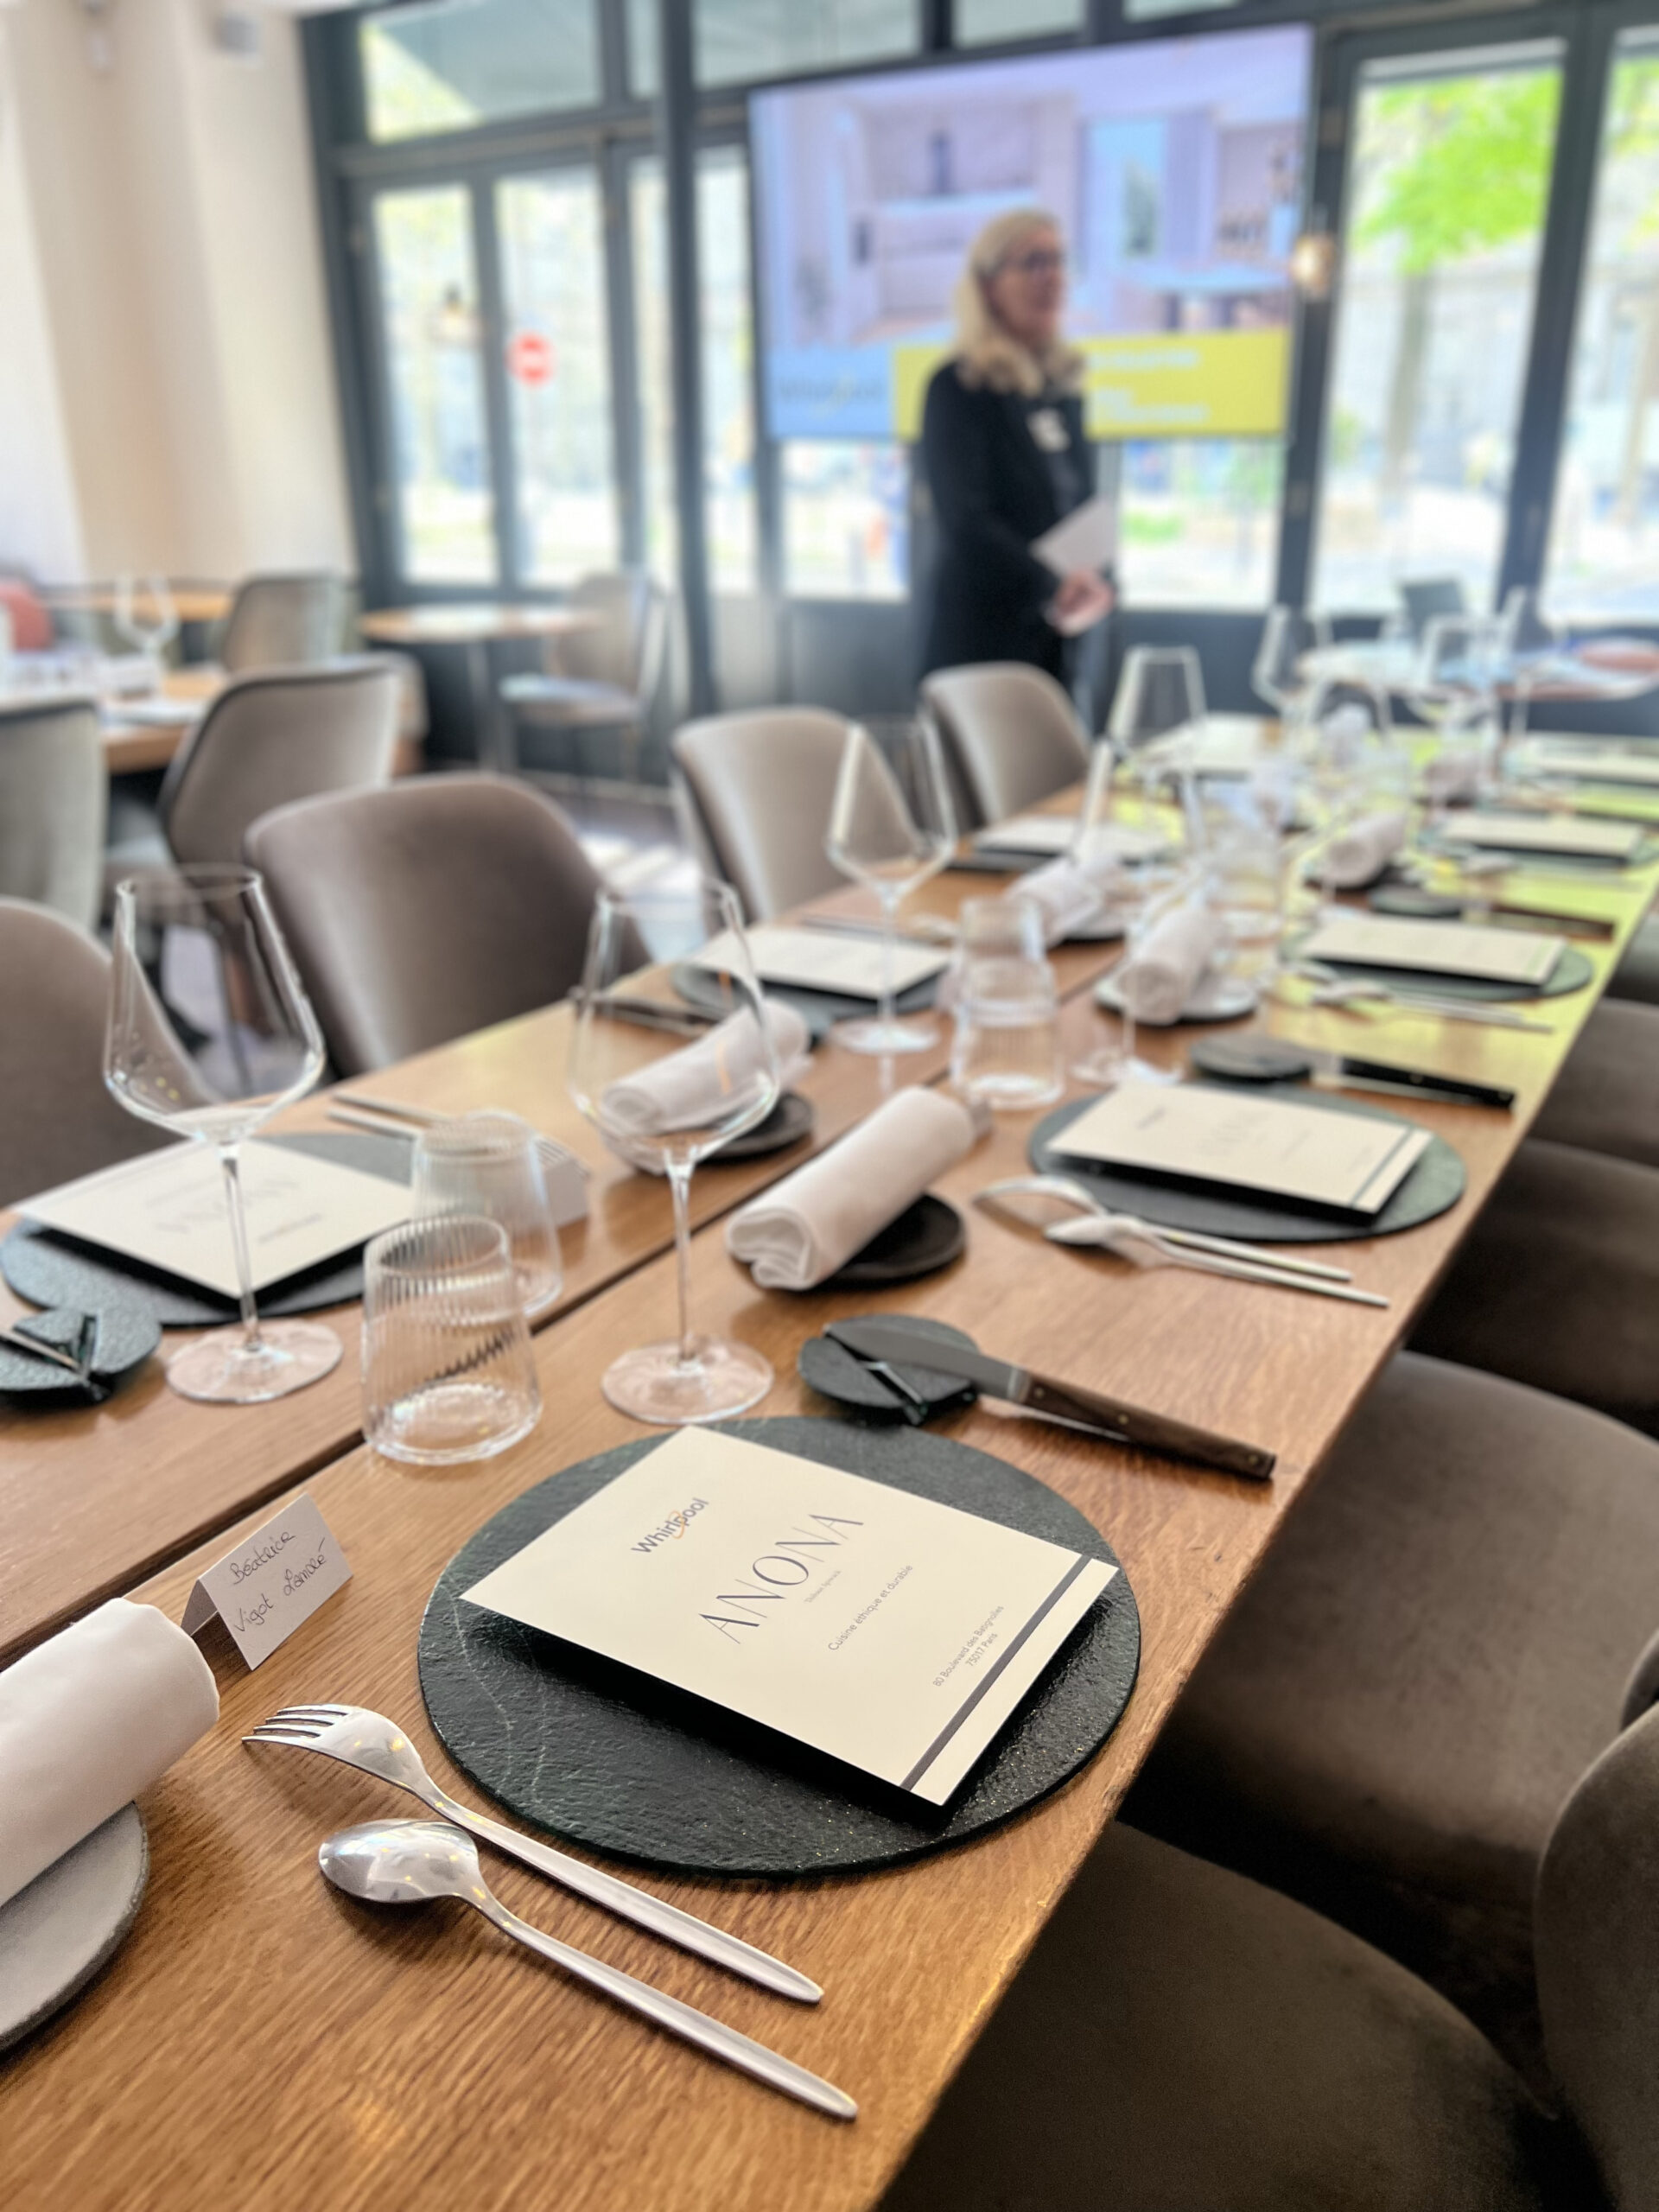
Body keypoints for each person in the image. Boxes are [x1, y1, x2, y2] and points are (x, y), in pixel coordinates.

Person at [918, 210, 1113, 682]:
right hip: (982, 643)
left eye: (1059, 261)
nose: (1053, 277)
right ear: (988, 286)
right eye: (1034, 262)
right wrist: (1051, 583)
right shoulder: (958, 387)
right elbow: (966, 521)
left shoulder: (1060, 391)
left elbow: (1081, 508)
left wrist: (1097, 581)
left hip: (1057, 642)